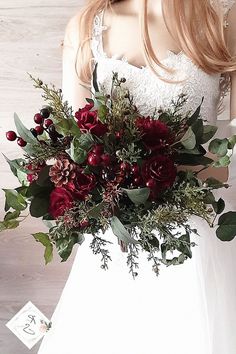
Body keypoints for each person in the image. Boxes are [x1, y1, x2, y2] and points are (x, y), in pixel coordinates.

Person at [37, 1, 236, 353]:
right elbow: (74, 150)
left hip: (197, 237)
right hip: (115, 245)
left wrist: (162, 174)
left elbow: (229, 153)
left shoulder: (222, 20)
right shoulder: (87, 27)